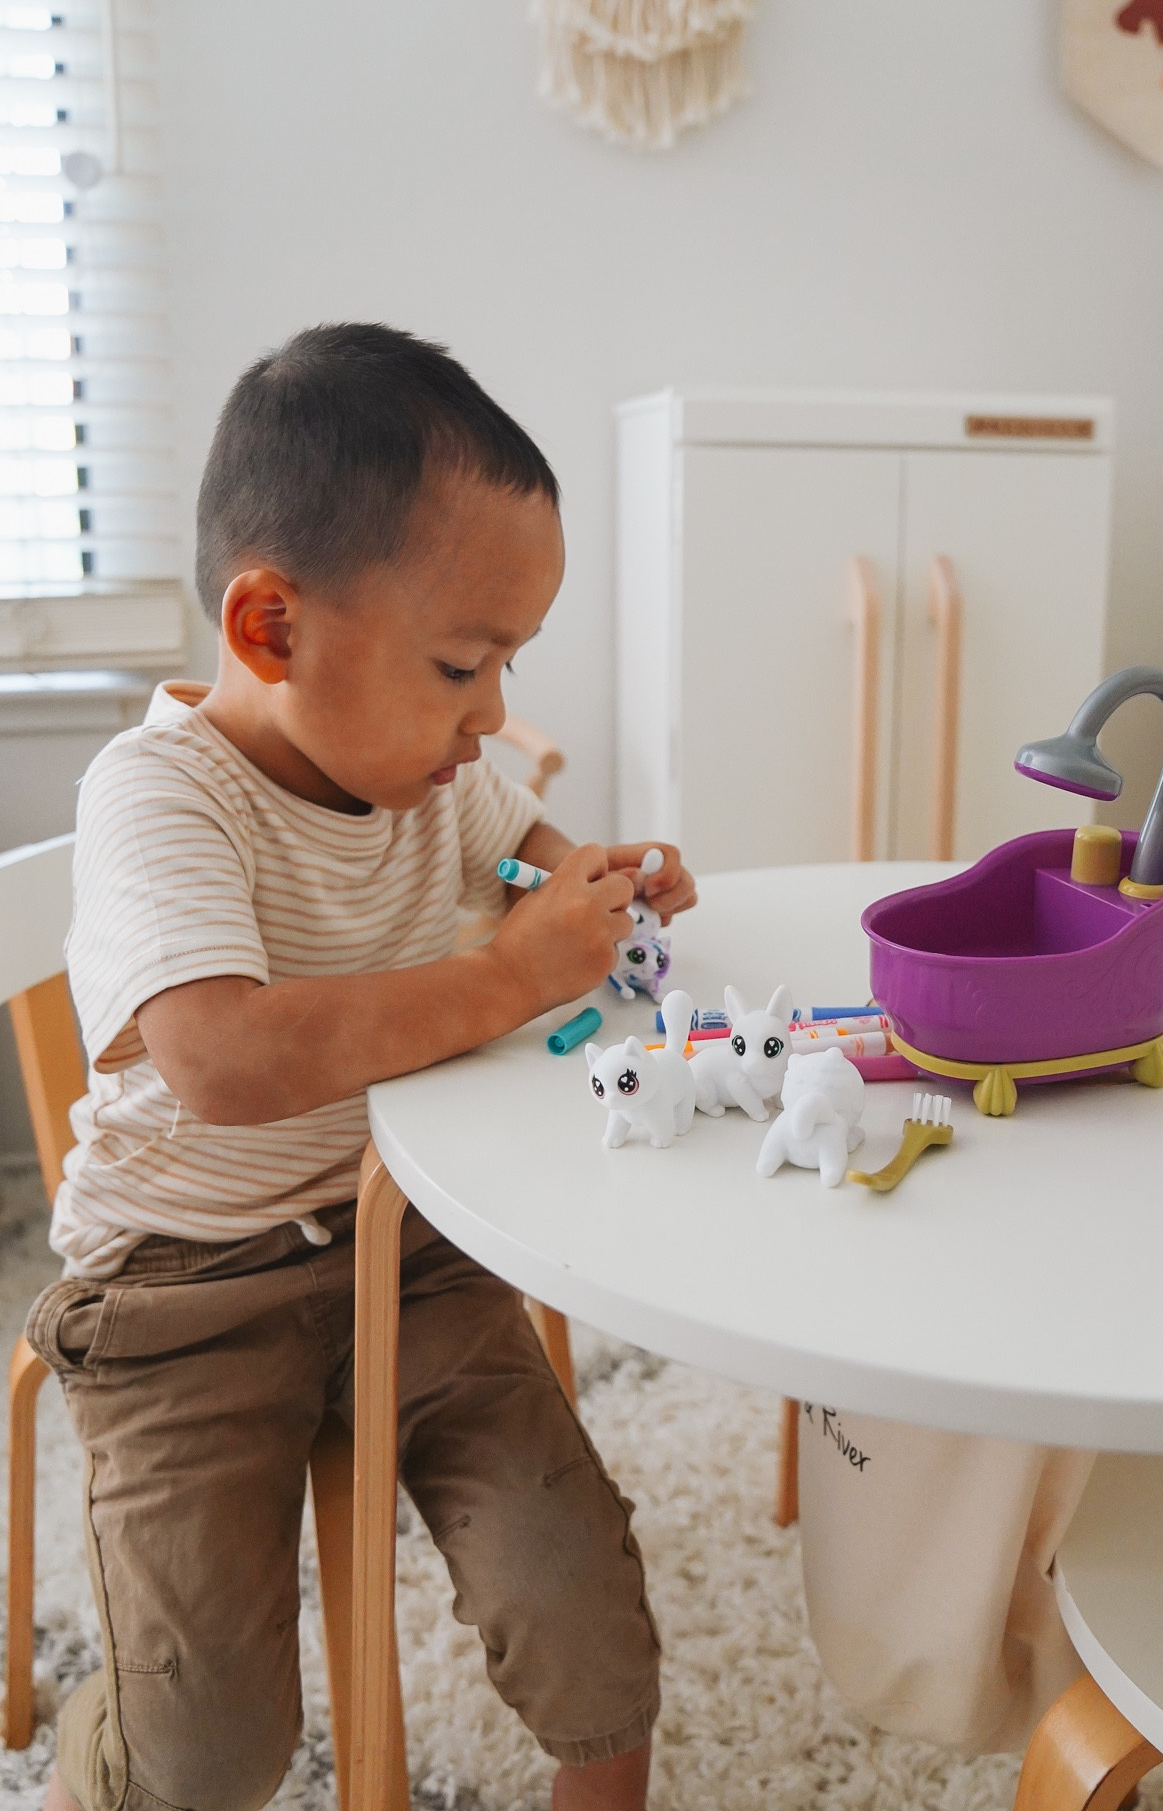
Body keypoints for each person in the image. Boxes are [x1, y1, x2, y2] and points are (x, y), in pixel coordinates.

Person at [29, 323, 694, 1811]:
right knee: (205, 1750)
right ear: (270, 627)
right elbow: (221, 1059)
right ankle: (90, 1761)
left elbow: (532, 852)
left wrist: (601, 883)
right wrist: (508, 974)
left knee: (588, 1609)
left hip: (411, 1250)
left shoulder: (433, 774)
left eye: (508, 661)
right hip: (181, 1294)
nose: (492, 712)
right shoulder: (157, 796)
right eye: (462, 662)